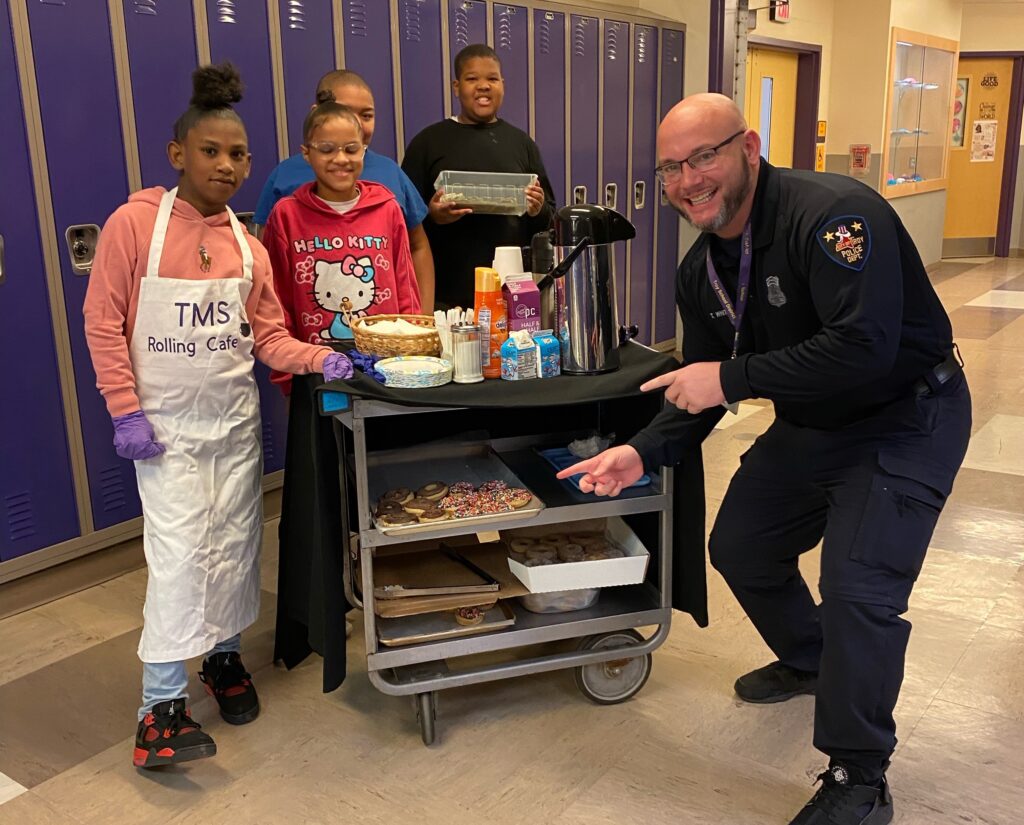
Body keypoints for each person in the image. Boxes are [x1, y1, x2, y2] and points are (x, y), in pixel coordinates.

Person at [559, 93, 971, 825]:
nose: (688, 181)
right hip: (815, 424)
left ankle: (860, 777)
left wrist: (732, 377)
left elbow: (863, 346)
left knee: (858, 591)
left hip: (905, 417)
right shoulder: (701, 271)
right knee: (741, 546)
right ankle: (812, 659)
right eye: (671, 168)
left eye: (704, 156)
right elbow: (700, 387)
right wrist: (642, 450)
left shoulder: (835, 216)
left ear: (749, 146)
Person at [83, 63, 353, 769]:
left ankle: (224, 659)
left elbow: (266, 336)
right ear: (178, 154)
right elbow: (103, 322)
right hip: (164, 433)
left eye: (238, 154)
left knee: (235, 548)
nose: (226, 164)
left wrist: (316, 358)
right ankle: (159, 707)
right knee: (178, 561)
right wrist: (125, 411)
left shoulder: (248, 244)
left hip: (232, 427)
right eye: (211, 151)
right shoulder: (133, 225)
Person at [260, 97, 421, 392]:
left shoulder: (387, 208)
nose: (341, 159)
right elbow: (277, 301)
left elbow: (406, 288)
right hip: (314, 371)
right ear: (306, 154)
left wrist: (412, 356)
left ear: (364, 150)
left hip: (386, 367)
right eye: (326, 149)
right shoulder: (286, 215)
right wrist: (286, 376)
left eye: (350, 149)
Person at [254, 69, 435, 310]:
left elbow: (417, 247)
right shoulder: (284, 180)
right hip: (312, 334)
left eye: (367, 115)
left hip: (383, 332)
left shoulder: (390, 176)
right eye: (345, 112)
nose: (356, 123)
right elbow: (268, 263)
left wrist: (422, 319)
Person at [401, 43, 556, 309]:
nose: (483, 86)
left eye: (492, 79)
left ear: (503, 85)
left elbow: (548, 218)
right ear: (456, 86)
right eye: (472, 78)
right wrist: (434, 215)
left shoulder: (521, 143)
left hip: (510, 294)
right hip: (446, 295)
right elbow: (401, 222)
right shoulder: (428, 143)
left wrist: (536, 209)